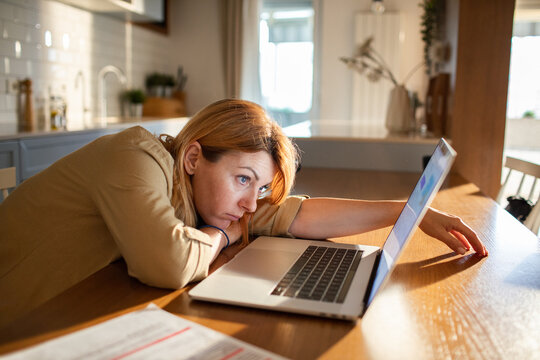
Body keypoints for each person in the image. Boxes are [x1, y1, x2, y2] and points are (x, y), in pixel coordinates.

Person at [0, 99, 487, 328]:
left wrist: (407, 211)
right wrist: (224, 239)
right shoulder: (134, 157)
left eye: (258, 186)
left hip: (59, 319)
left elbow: (294, 215)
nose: (250, 204)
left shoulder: (202, 195)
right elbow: (167, 262)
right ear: (194, 158)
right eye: (242, 180)